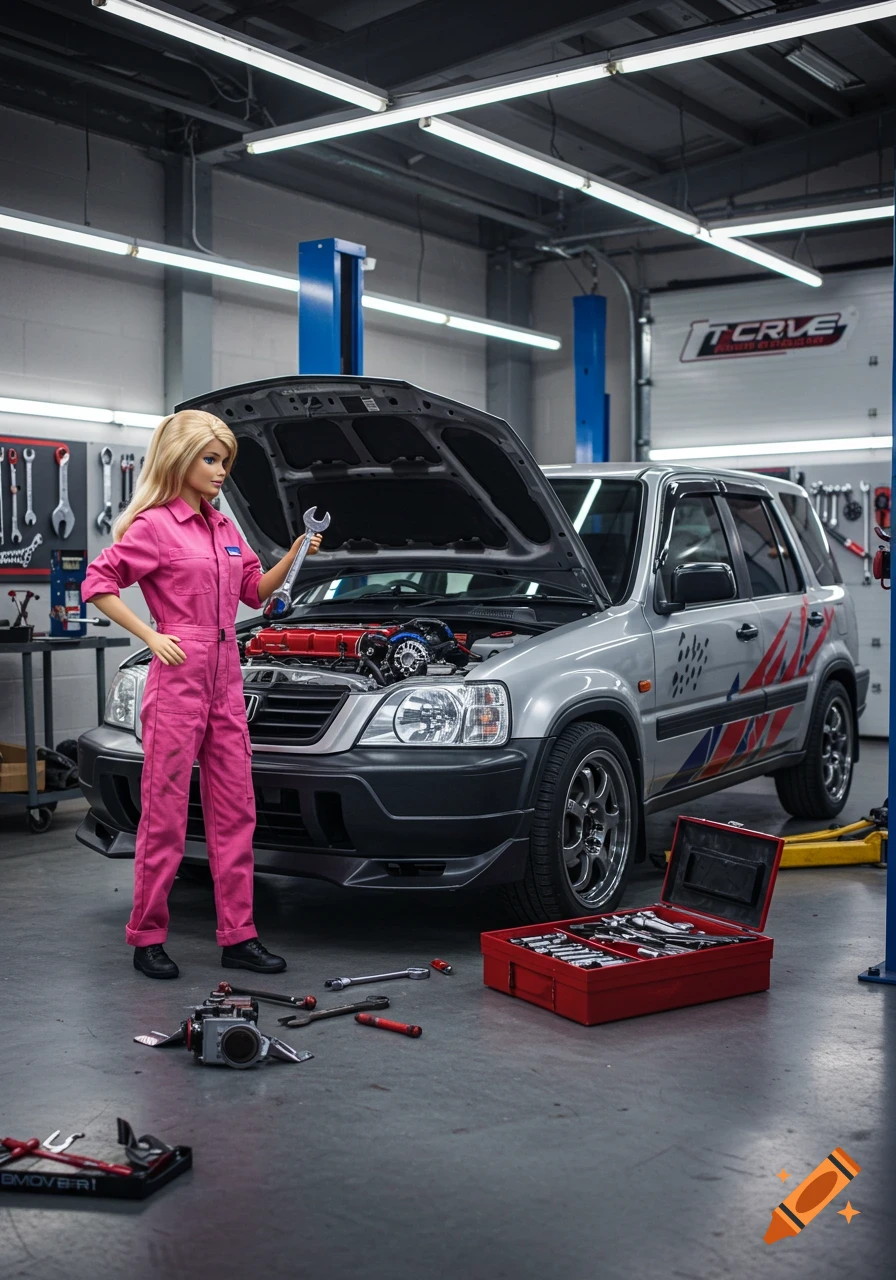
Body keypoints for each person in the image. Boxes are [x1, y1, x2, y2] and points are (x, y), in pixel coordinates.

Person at [83, 409, 321, 979]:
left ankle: (239, 935)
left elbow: (253, 594)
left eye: (224, 461)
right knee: (163, 815)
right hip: (178, 676)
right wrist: (150, 634)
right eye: (210, 459)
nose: (220, 472)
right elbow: (99, 583)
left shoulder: (224, 528)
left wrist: (297, 551)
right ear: (180, 458)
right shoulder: (155, 527)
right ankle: (147, 937)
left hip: (227, 675)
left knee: (236, 811)